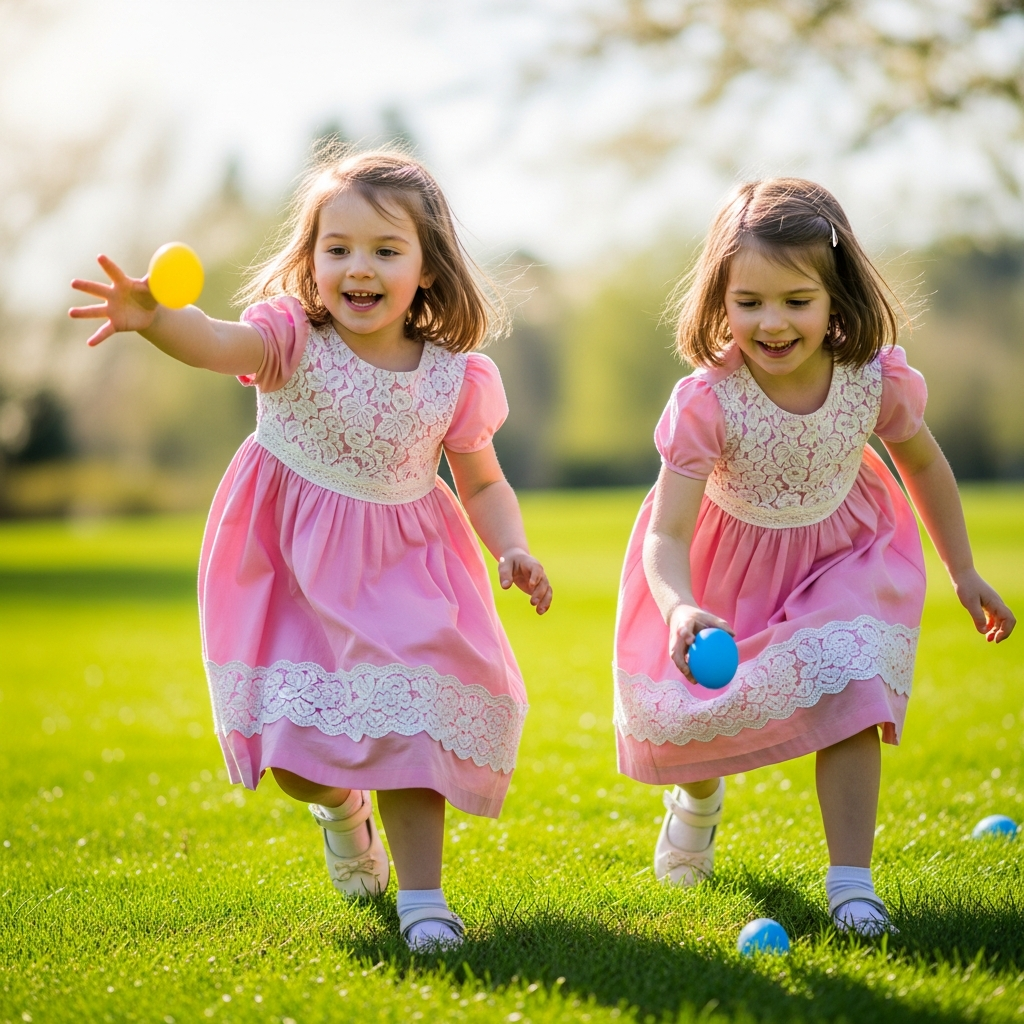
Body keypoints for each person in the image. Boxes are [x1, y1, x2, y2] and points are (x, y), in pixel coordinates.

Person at [69, 146, 552, 950]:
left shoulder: (452, 378)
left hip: (405, 566)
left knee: (413, 720)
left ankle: (423, 900)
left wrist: (511, 545)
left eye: (385, 250)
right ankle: (340, 810)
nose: (358, 268)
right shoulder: (291, 339)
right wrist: (155, 320)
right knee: (298, 753)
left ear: (428, 269)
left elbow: (484, 483)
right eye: (339, 249)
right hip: (289, 569)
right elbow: (216, 342)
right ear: (312, 260)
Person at [613, 178, 1015, 935]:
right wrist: (679, 605)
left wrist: (964, 571)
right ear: (719, 302)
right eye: (750, 301)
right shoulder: (709, 400)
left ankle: (851, 883)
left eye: (797, 300)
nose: (772, 322)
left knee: (856, 682)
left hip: (848, 554)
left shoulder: (874, 381)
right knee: (711, 720)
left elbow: (923, 466)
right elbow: (666, 533)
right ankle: (697, 802)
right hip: (729, 569)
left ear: (838, 299)